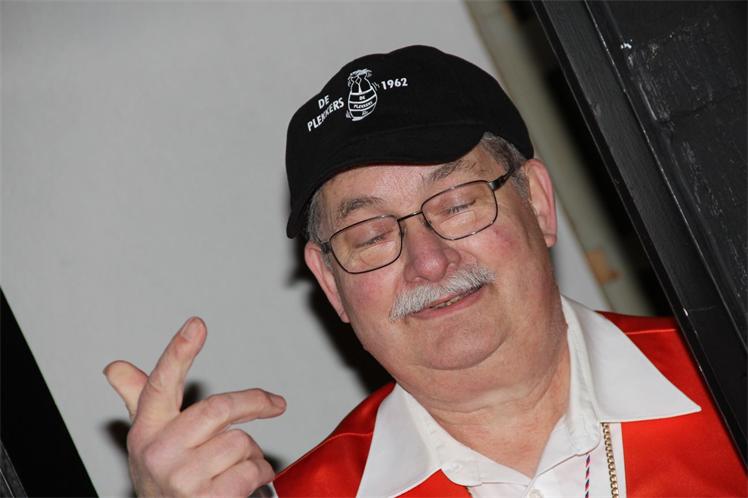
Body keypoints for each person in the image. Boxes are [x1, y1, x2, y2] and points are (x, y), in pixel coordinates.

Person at [104, 45, 744, 497]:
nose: (430, 261)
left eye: (458, 204)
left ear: (539, 204)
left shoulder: (728, 370)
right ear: (331, 284)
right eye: (370, 235)